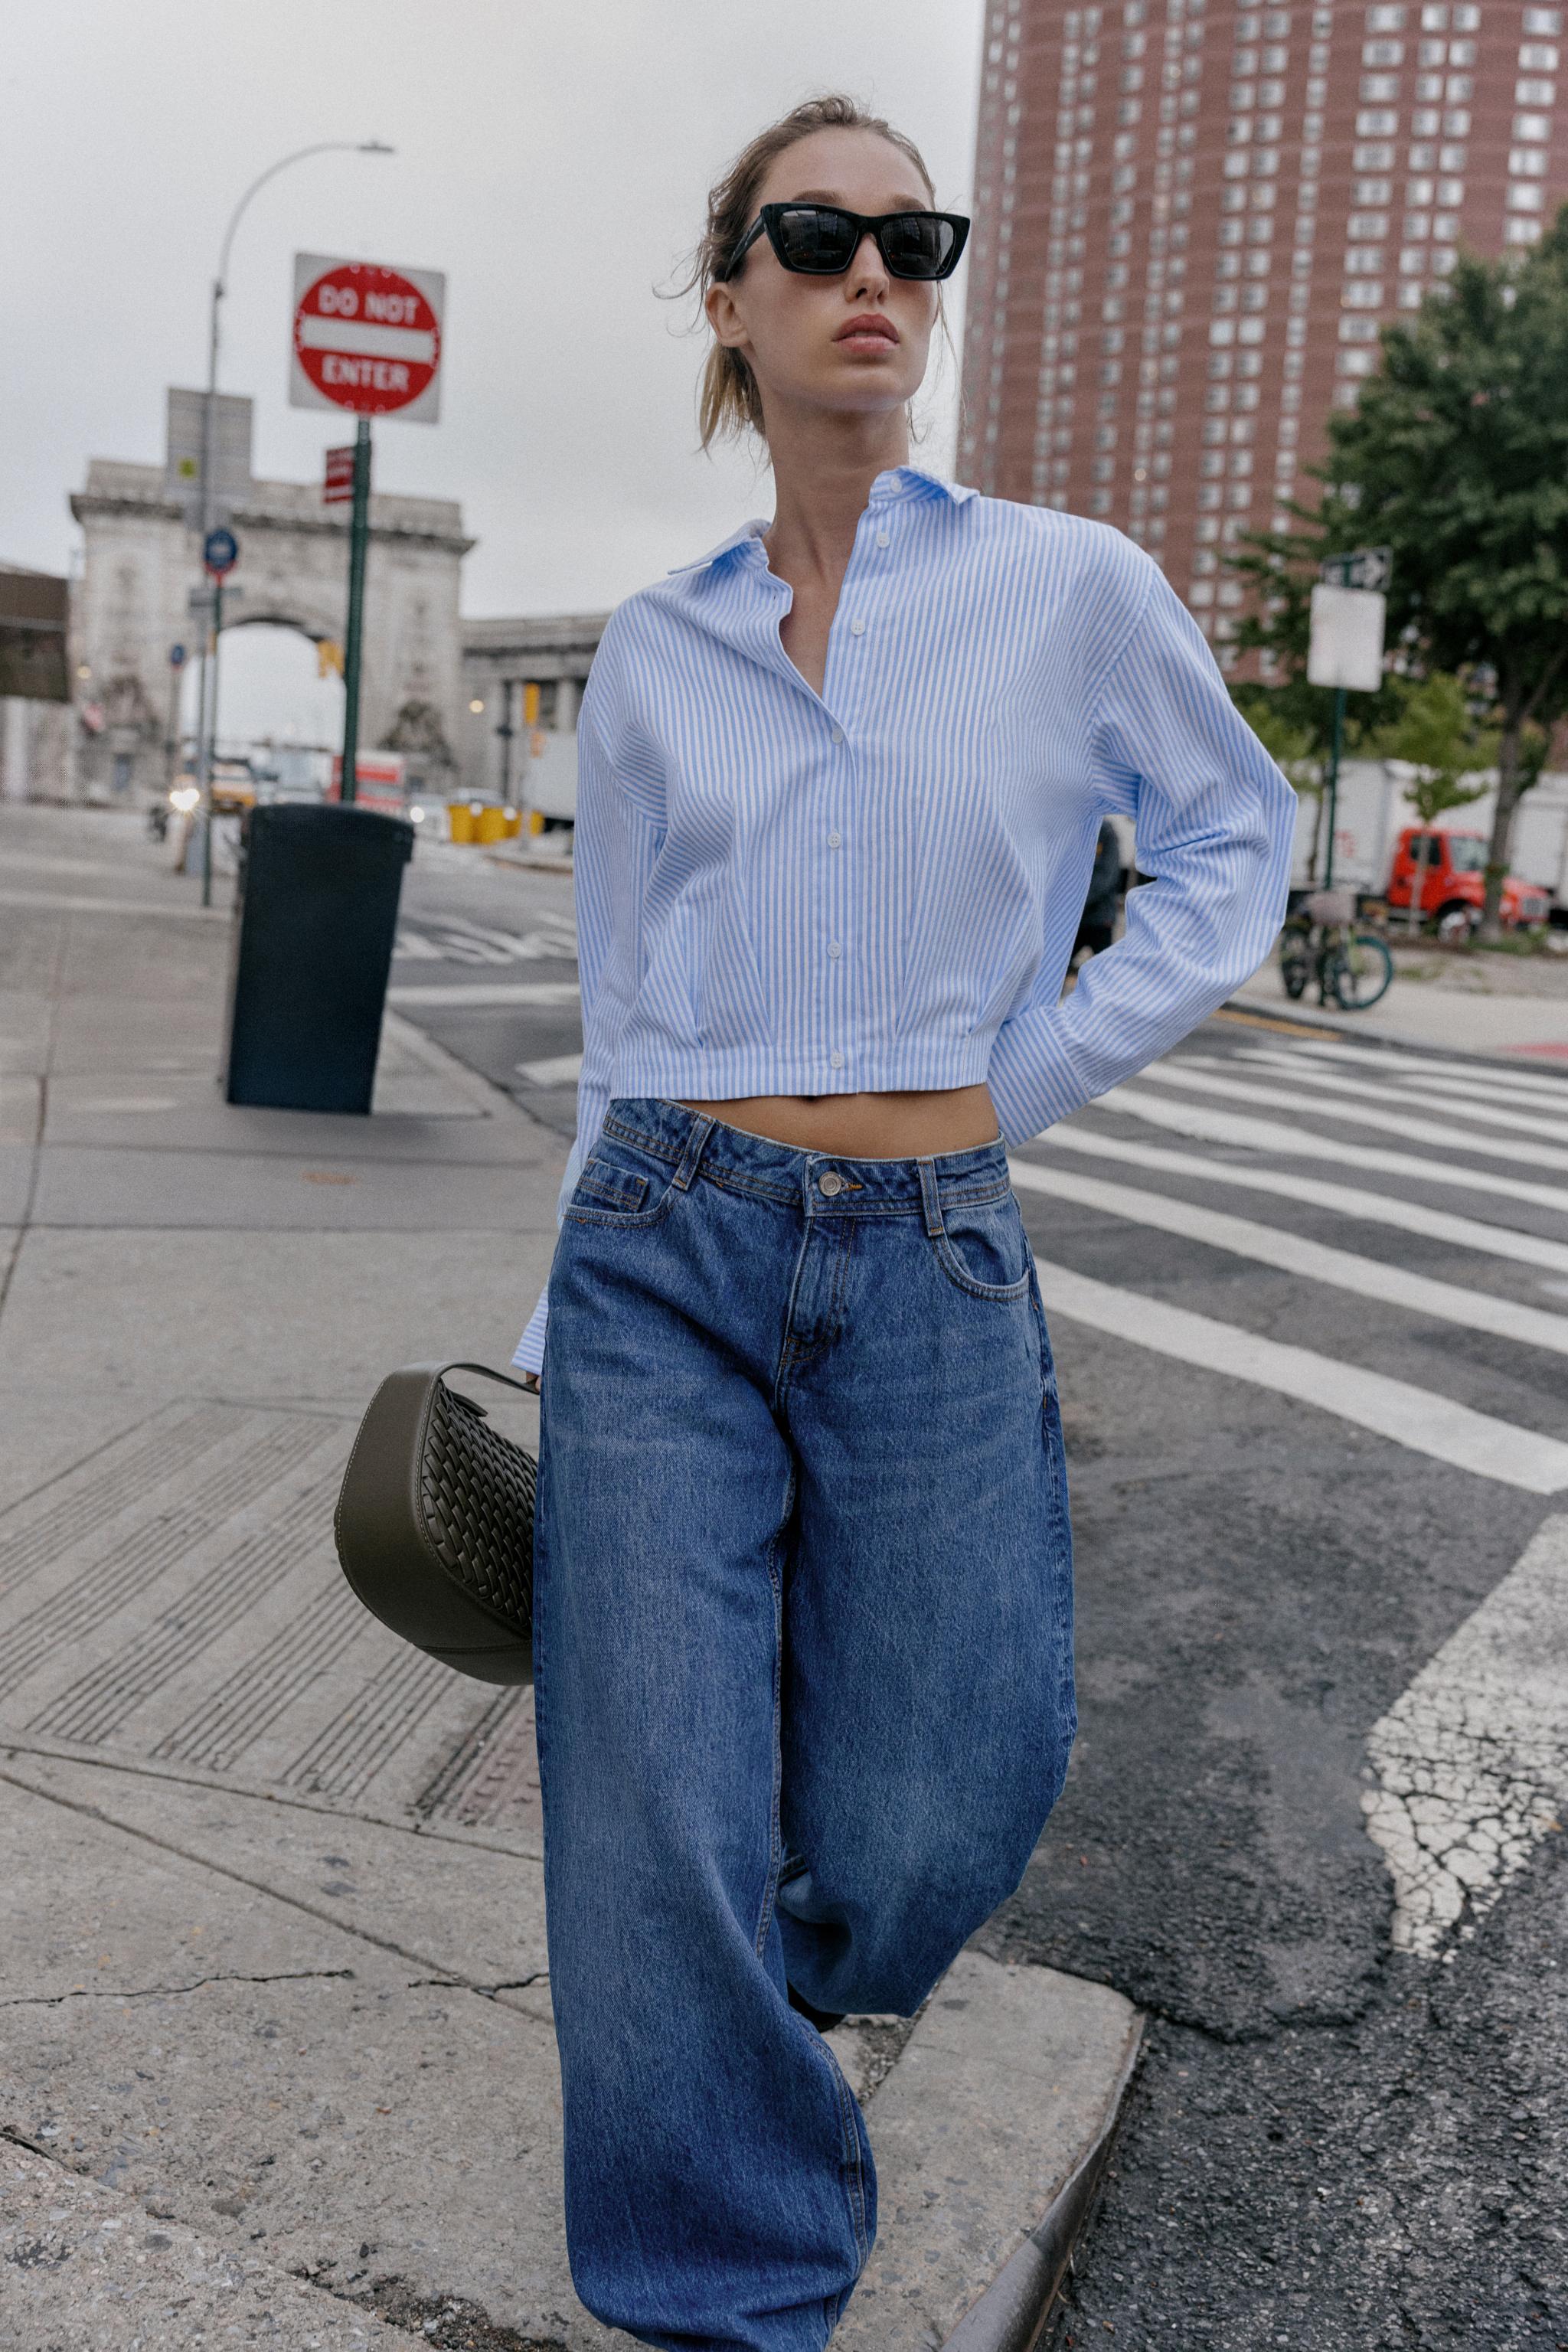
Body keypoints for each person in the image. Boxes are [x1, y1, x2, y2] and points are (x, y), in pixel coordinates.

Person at [511, 93, 1294, 2352]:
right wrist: (545, 1329)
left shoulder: (1065, 587)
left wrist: (1016, 1077)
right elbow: (620, 997)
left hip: (928, 1245)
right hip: (658, 1237)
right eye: (819, 232)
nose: (878, 271)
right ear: (730, 294)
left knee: (952, 1788)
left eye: (912, 236)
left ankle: (724, 2025)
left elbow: (1232, 850)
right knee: (642, 1814)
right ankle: (731, 2292)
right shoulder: (657, 651)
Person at [1073, 815, 1125, 964]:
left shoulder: (1105, 831)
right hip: (1079, 918)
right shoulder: (1075, 828)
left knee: (1106, 971)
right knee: (1055, 967)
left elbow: (1107, 876)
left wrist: (1077, 901)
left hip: (1100, 918)